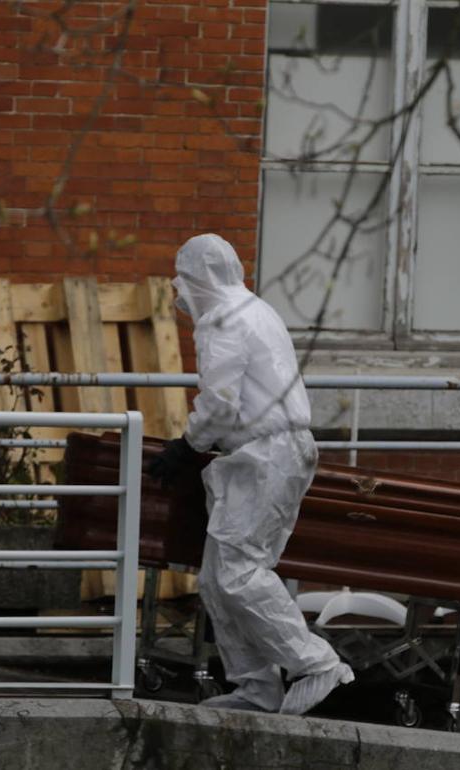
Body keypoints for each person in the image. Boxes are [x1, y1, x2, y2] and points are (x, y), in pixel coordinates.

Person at [148, 232, 353, 715]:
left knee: (238, 571)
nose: (179, 295)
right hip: (270, 452)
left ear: (198, 278)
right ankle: (257, 686)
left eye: (182, 282)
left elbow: (220, 404)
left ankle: (317, 663)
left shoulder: (221, 319)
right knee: (218, 579)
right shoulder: (257, 309)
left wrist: (188, 444)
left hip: (266, 455)